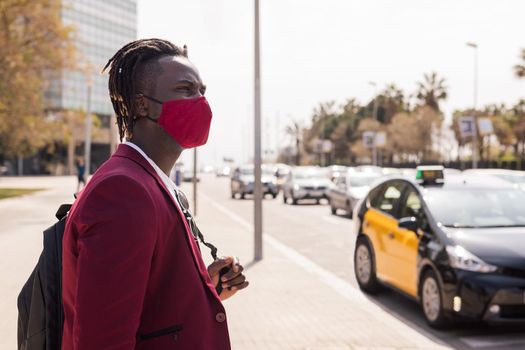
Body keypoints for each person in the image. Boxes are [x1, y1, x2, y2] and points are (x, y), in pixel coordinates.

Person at [61, 38, 248, 350]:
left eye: (202, 90)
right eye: (185, 90)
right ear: (142, 104)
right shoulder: (123, 190)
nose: (200, 101)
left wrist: (201, 289)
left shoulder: (145, 179)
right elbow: (103, 341)